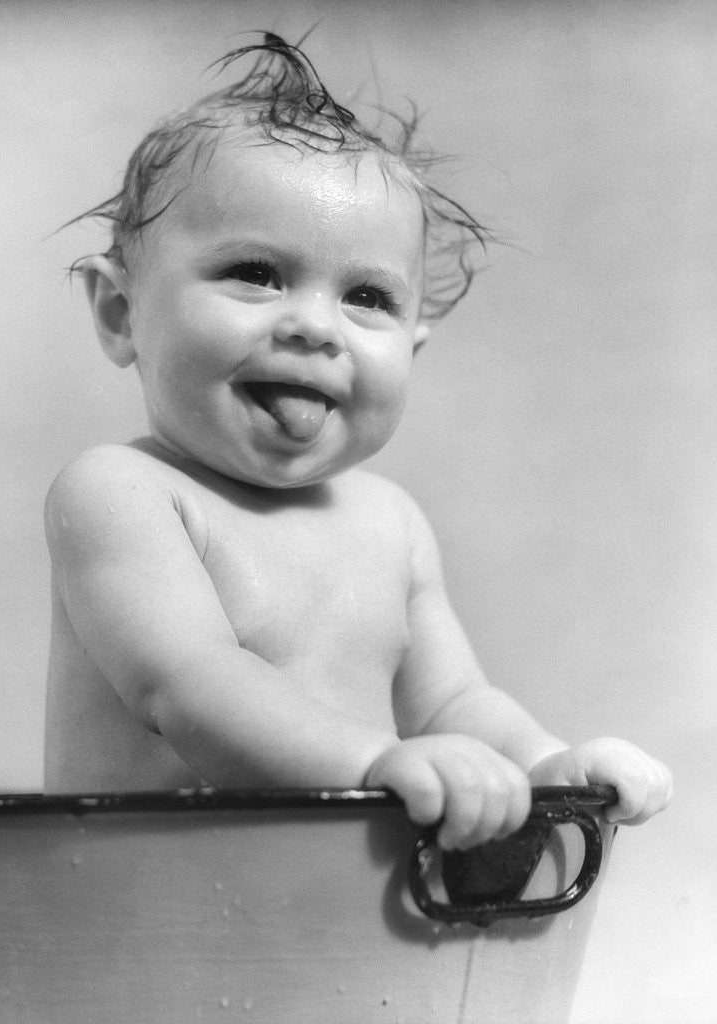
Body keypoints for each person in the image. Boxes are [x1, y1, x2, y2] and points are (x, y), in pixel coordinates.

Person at [44, 34, 671, 850]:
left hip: (313, 906)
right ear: (120, 313)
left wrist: (550, 765)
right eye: (257, 272)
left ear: (411, 349)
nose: (313, 325)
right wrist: (373, 761)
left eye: (368, 295)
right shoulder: (121, 492)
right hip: (142, 901)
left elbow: (452, 705)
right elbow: (187, 685)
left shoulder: (391, 522)